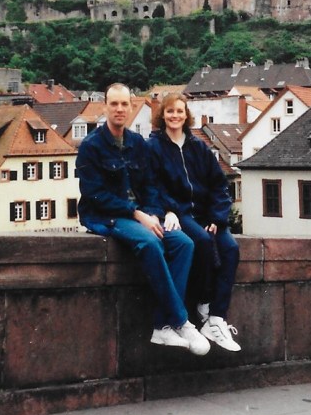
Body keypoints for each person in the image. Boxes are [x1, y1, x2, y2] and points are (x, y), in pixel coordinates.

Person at [76, 83, 210, 356]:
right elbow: (94, 194)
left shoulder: (137, 143)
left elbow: (150, 186)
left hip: (142, 214)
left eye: (124, 104)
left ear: (131, 106)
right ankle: (181, 321)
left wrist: (154, 213)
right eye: (114, 104)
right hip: (107, 215)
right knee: (150, 243)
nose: (120, 109)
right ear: (105, 107)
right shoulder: (91, 146)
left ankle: (162, 327)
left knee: (183, 243)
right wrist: (137, 214)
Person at [147, 92, 242, 352]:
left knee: (230, 248)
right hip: (180, 213)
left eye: (179, 111)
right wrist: (167, 210)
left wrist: (217, 217)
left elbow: (219, 185)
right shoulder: (154, 147)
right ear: (162, 115)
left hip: (206, 213)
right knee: (200, 241)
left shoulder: (198, 146)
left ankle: (216, 318)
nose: (175, 115)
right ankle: (203, 301)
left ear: (186, 115)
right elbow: (152, 186)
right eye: (170, 111)